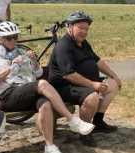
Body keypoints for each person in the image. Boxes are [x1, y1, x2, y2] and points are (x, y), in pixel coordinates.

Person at [0, 21, 95, 153]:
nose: (14, 40)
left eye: (15, 37)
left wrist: (34, 62)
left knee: (46, 104)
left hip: (27, 92)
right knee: (43, 84)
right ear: (0, 40)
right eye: (9, 38)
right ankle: (72, 120)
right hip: (7, 95)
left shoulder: (21, 52)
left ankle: (50, 147)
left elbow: (38, 73)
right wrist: (12, 67)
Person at [48, 11, 121, 145]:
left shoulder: (83, 43)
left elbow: (97, 61)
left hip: (82, 84)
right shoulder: (64, 46)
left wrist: (114, 76)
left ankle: (98, 122)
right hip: (64, 87)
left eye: (86, 29)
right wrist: (93, 85)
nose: (84, 32)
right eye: (80, 28)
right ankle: (84, 132)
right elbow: (69, 74)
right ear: (69, 27)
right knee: (92, 97)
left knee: (113, 84)